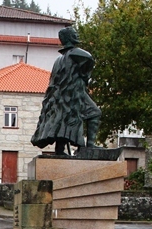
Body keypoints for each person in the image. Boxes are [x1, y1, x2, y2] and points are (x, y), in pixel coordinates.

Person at [31, 26, 101, 155]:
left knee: (63, 118)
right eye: (75, 34)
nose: (77, 35)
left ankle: (60, 150)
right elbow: (89, 58)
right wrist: (84, 73)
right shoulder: (75, 53)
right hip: (74, 93)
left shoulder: (59, 60)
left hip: (63, 95)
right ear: (70, 37)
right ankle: (90, 145)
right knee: (94, 113)